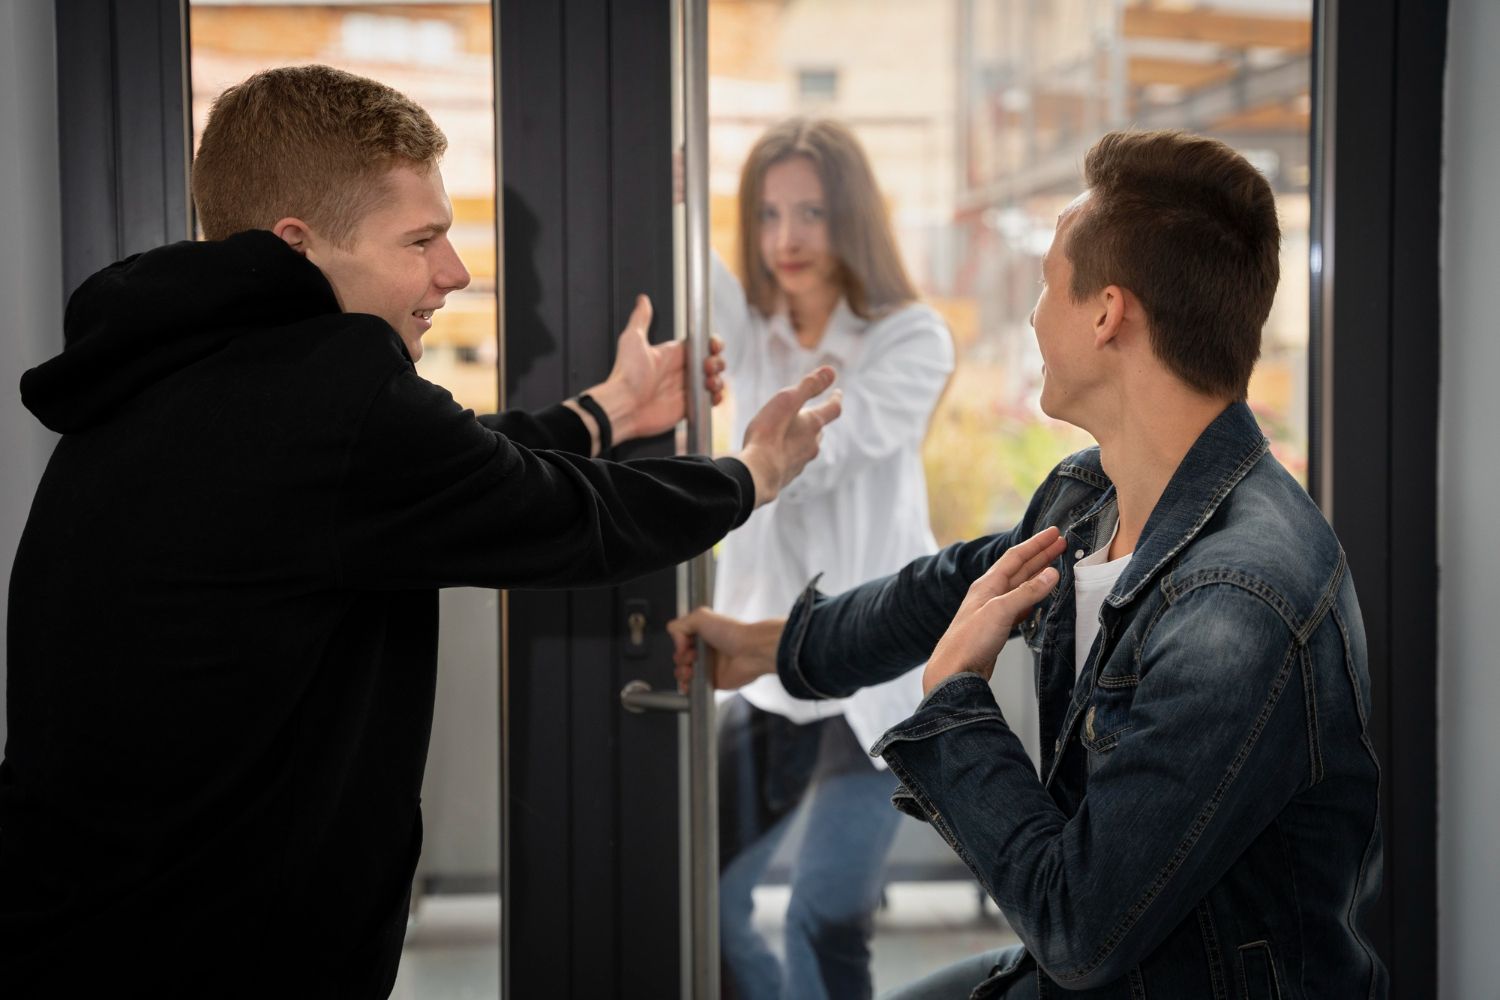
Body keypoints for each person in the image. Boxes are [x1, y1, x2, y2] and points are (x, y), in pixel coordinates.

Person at [0, 64, 842, 996]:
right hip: (213, 952)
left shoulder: (175, 369)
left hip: (85, 927)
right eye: (422, 239)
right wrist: (751, 475)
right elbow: (570, 518)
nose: (457, 271)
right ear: (299, 244)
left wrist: (604, 412)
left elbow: (440, 467)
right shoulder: (334, 393)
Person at [671, 129, 1385, 998]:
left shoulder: (1235, 607)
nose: (1032, 316)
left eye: (1047, 286)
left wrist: (955, 706)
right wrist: (776, 647)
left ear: (1106, 313)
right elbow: (945, 587)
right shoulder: (1098, 495)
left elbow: (1078, 928)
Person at [705, 118, 953, 1000]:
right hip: (767, 666)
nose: (788, 239)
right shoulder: (748, 332)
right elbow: (689, 270)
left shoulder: (912, 338)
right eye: (769, 215)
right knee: (710, 907)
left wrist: (763, 453)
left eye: (810, 211)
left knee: (824, 915)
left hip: (867, 669)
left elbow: (833, 452)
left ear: (851, 217)